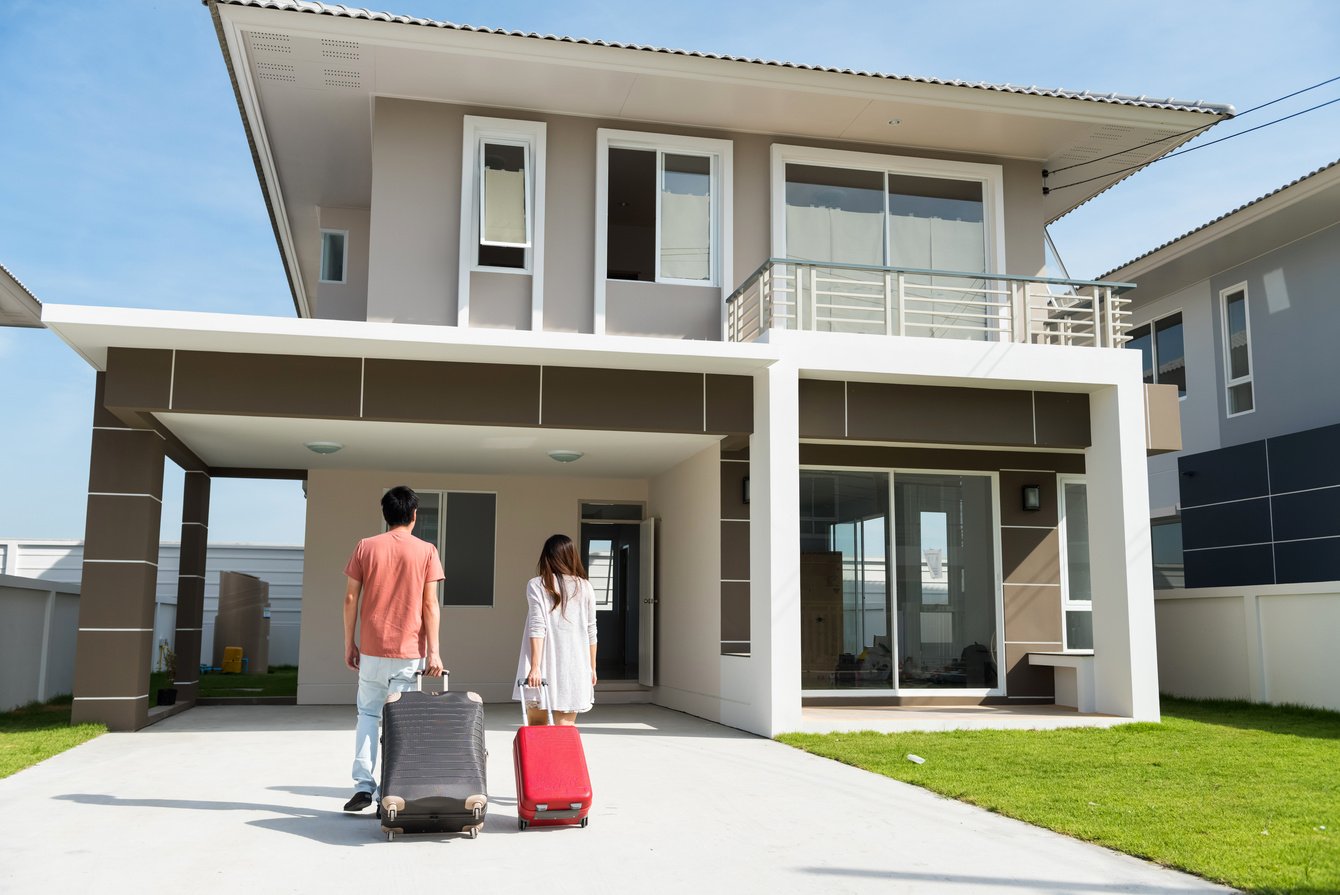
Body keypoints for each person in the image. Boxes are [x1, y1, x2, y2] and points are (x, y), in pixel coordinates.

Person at [340, 485, 445, 812]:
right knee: (398, 722)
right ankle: (393, 787)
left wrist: (349, 643)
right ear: (414, 516)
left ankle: (362, 784)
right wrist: (435, 652)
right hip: (409, 651)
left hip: (372, 649)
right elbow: (430, 604)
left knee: (368, 715)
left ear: (386, 515)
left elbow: (350, 599)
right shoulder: (426, 550)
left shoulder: (365, 547)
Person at [512, 534, 598, 726]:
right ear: (572, 556)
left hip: (544, 665)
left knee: (537, 730)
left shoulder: (537, 585)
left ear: (547, 557)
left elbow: (537, 626)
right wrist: (592, 667)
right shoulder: (586, 587)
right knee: (564, 733)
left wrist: (534, 667)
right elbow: (592, 631)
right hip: (575, 667)